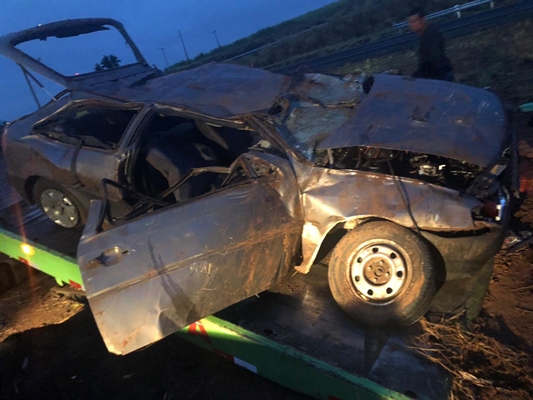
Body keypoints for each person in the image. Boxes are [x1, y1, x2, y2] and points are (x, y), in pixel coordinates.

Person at [408, 7, 454, 81]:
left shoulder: (431, 35)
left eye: (415, 21)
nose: (412, 24)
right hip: (436, 75)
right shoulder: (424, 36)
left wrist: (417, 76)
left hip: (440, 76)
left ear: (423, 20)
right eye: (410, 22)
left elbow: (433, 60)